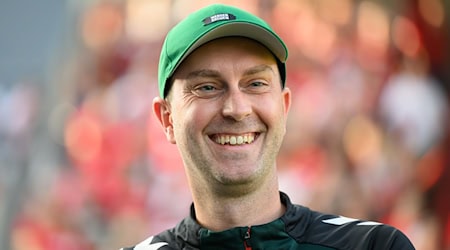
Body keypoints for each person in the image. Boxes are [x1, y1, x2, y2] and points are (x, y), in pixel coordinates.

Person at [121, 4, 415, 250]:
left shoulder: (373, 245)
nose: (236, 108)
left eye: (256, 84)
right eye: (208, 87)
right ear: (167, 119)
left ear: (284, 108)